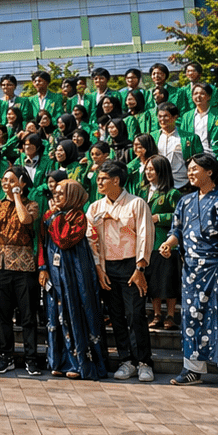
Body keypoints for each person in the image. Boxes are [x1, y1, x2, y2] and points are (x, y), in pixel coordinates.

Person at [164, 153, 218, 391]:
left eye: (195, 169)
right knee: (192, 318)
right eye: (189, 169)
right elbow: (177, 231)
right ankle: (193, 369)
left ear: (210, 171)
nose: (190, 173)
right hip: (192, 272)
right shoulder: (185, 202)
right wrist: (169, 244)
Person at [87, 160, 155, 381]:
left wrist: (140, 267)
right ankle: (126, 360)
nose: (99, 182)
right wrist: (99, 268)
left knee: (135, 314)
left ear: (116, 180)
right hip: (107, 266)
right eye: (98, 179)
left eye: (103, 179)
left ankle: (144, 362)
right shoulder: (95, 207)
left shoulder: (136, 203)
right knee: (116, 315)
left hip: (131, 265)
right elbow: (91, 240)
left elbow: (145, 235)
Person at [40, 179, 107, 380]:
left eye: (62, 193)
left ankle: (78, 363)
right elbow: (42, 243)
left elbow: (63, 240)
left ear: (73, 196)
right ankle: (58, 361)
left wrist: (54, 217)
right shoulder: (50, 215)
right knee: (56, 313)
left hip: (75, 271)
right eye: (56, 193)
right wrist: (42, 268)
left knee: (74, 311)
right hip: (54, 269)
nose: (56, 196)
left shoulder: (78, 217)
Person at [0, 166, 43, 374]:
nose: (5, 183)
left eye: (11, 180)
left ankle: (31, 358)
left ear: (22, 183)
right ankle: (6, 356)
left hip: (24, 267)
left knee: (27, 315)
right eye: (4, 180)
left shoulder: (31, 204)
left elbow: (25, 220)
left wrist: (17, 196)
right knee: (3, 315)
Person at [143, 155, 182, 330]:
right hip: (147, 243)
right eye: (147, 169)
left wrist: (160, 217)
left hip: (165, 242)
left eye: (152, 169)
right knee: (152, 280)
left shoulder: (172, 193)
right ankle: (157, 314)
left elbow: (180, 216)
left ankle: (171, 315)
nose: (148, 172)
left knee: (168, 280)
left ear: (161, 170)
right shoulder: (143, 191)